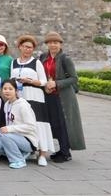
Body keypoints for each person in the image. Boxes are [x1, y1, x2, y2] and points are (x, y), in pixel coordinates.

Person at [40, 31, 85, 162]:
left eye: (56, 42)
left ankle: (66, 152)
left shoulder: (65, 59)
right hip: (49, 95)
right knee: (54, 123)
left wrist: (56, 83)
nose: (53, 45)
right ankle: (61, 149)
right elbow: (41, 76)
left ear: (60, 44)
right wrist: (45, 86)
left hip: (63, 96)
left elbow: (73, 78)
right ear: (47, 44)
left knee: (64, 122)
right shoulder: (43, 57)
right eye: (50, 43)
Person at [10, 34, 54, 166]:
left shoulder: (36, 62)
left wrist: (31, 81)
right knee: (22, 122)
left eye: (30, 47)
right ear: (20, 47)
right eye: (25, 47)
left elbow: (43, 81)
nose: (28, 49)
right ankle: (28, 149)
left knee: (38, 123)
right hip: (20, 96)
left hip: (34, 95)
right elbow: (11, 79)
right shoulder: (14, 62)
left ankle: (42, 153)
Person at [0, 79, 39, 169]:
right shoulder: (7, 104)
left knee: (5, 135)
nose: (7, 91)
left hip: (28, 140)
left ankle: (18, 160)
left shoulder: (23, 105)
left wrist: (9, 129)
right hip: (14, 137)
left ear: (16, 91)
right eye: (5, 88)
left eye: (10, 89)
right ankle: (22, 154)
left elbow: (31, 126)